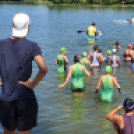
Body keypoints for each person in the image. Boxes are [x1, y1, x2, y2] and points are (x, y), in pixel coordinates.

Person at [0, 13, 48, 134]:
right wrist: (33, 84)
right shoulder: (32, 46)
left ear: (12, 26)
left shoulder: (1, 44)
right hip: (26, 99)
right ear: (28, 28)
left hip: (6, 100)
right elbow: (43, 68)